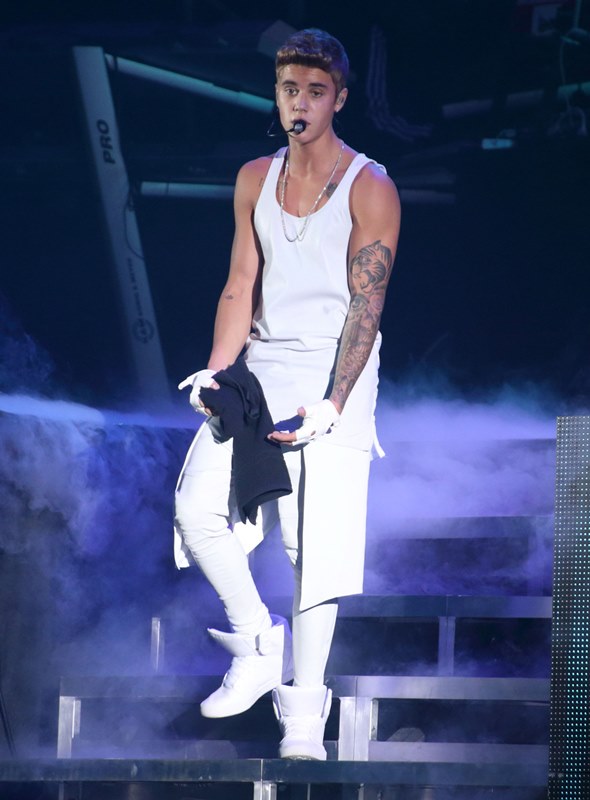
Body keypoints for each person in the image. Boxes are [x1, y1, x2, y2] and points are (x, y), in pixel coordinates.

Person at [174, 27, 401, 760]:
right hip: (263, 370)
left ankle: (304, 715)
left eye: (314, 91)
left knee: (314, 550)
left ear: (339, 98)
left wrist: (334, 404)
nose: (299, 103)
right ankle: (256, 640)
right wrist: (216, 371)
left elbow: (367, 306)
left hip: (335, 376)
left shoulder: (370, 185)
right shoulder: (254, 177)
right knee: (196, 508)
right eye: (288, 90)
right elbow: (241, 282)